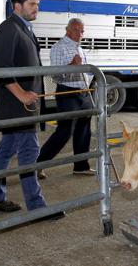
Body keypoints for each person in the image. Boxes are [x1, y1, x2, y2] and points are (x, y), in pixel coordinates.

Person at [0, 0, 64, 221]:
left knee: (6, 151)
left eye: (37, 4)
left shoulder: (23, 28)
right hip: (18, 104)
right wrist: (21, 94)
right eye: (32, 4)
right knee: (29, 153)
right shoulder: (9, 29)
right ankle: (37, 207)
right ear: (17, 5)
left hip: (21, 104)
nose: (36, 9)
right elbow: (1, 66)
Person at [37, 18, 95, 179]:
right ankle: (38, 164)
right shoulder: (58, 48)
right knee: (64, 131)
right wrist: (71, 65)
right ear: (67, 30)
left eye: (82, 31)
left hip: (83, 92)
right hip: (67, 93)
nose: (80, 34)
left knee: (84, 131)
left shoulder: (80, 48)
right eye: (76, 30)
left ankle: (81, 166)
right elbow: (56, 75)